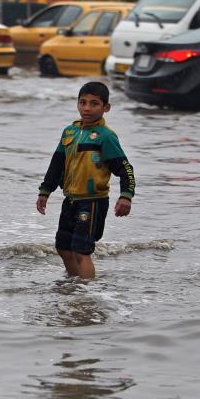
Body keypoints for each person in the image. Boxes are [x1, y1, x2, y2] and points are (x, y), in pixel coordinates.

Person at [36, 82, 136, 279]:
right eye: (82, 102)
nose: (87, 108)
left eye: (94, 103)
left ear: (106, 108)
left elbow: (125, 169)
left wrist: (126, 195)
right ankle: (75, 287)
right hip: (71, 199)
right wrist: (45, 191)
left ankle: (87, 297)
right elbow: (57, 164)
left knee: (82, 251)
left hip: (93, 201)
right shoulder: (70, 132)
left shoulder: (105, 137)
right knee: (63, 248)